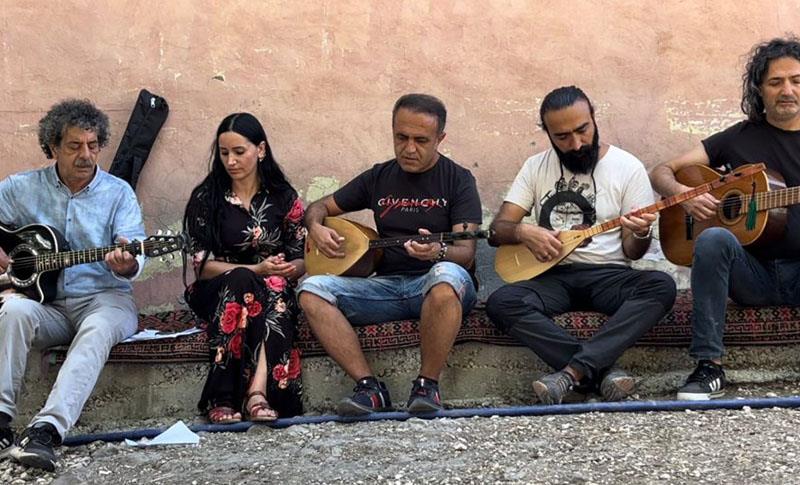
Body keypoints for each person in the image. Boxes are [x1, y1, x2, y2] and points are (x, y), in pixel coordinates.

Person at [485, 86, 677, 405]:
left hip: (610, 276)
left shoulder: (627, 168)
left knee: (661, 286)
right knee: (502, 301)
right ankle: (601, 373)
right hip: (553, 276)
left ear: (593, 118)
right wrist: (522, 233)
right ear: (546, 133)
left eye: (582, 130)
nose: (576, 144)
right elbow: (497, 230)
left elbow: (633, 252)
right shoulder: (535, 167)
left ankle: (572, 374)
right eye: (562, 137)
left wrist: (641, 233)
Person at [297, 93, 482, 415]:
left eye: (421, 140)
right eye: (401, 137)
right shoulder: (379, 177)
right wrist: (315, 227)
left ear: (440, 139)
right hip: (386, 287)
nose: (409, 148)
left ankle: (427, 386)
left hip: (438, 285)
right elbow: (319, 206)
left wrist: (437, 252)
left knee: (446, 276)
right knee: (310, 289)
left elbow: (465, 254)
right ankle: (369, 388)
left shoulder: (458, 180)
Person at [650, 36, 800, 400]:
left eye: (796, 80)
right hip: (753, 276)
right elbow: (662, 171)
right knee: (715, 238)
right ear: (759, 89)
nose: (787, 90)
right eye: (775, 81)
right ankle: (708, 367)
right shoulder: (737, 138)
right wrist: (683, 198)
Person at [0, 99, 146, 471]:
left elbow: (134, 256)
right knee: (14, 310)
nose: (86, 155)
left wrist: (127, 262)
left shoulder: (118, 194)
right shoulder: (19, 189)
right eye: (74, 145)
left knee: (98, 329)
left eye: (93, 145)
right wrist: (7, 266)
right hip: (44, 304)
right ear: (52, 147)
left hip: (104, 298)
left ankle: (46, 430)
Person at [183, 113, 305, 424]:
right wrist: (256, 269)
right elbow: (201, 266)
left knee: (278, 289)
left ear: (260, 150)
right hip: (219, 288)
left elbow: (301, 254)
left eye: (239, 152)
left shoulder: (283, 197)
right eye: (224, 153)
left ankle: (257, 393)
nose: (231, 161)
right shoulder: (206, 197)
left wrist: (291, 268)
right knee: (241, 279)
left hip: (271, 284)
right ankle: (222, 397)